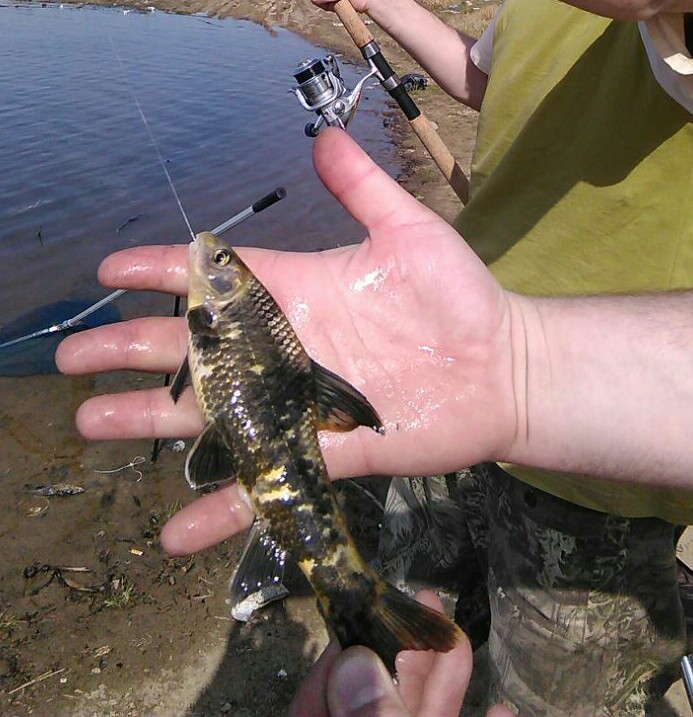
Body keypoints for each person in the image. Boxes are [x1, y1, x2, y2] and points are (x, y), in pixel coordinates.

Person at [57, 129, 693, 715]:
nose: (212, 259)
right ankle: (370, 603)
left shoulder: (216, 317)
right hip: (283, 438)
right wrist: (514, 363)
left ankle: (366, 606)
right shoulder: (221, 322)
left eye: (222, 266)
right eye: (221, 267)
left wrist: (511, 362)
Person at [310, 1, 693, 714]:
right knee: (406, 633)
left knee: (552, 697)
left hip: (600, 444)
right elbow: (484, 80)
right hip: (452, 374)